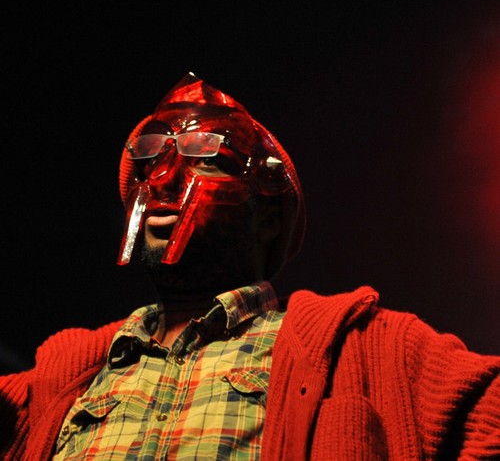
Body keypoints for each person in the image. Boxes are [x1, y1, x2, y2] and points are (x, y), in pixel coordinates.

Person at [0, 72, 499, 460]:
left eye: (204, 159)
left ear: (268, 219)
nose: (162, 180)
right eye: (152, 161)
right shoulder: (58, 379)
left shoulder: (367, 349)